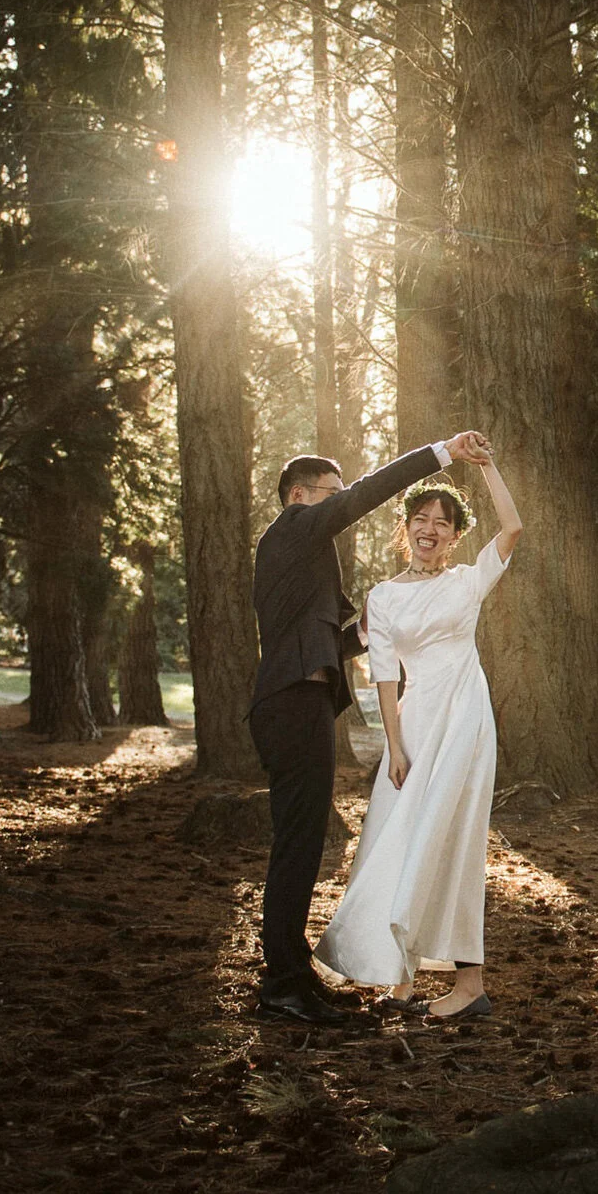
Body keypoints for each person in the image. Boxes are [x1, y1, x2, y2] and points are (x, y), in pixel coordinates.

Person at [248, 431, 490, 1026]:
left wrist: (389, 617)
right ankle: (282, 981)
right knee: (297, 847)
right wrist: (442, 452)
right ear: (299, 496)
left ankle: (291, 972)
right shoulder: (295, 527)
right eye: (329, 494)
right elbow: (369, 493)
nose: (339, 505)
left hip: (301, 702)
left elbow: (335, 641)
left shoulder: (302, 560)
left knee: (303, 843)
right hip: (289, 702)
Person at [315, 442, 521, 1020]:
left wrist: (487, 466)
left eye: (443, 523)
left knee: (449, 835)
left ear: (456, 535)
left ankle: (469, 982)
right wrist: (394, 745)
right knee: (394, 832)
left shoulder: (466, 582)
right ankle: (400, 980)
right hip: (414, 720)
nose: (431, 530)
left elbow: (513, 527)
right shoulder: (381, 598)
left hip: (465, 716)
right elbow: (383, 677)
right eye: (421, 521)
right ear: (405, 529)